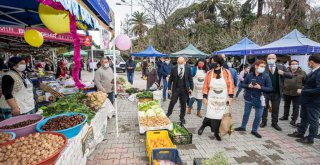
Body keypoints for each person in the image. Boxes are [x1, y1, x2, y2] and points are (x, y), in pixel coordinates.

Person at [198, 55, 234, 141]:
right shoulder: (209, 73)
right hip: (212, 98)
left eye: (213, 61)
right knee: (209, 114)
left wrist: (230, 97)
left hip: (222, 99)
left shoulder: (226, 72)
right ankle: (203, 126)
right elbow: (206, 85)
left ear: (218, 63)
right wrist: (204, 97)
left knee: (219, 116)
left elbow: (231, 85)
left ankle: (216, 133)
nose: (211, 63)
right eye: (211, 61)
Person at [234, 60, 273, 138]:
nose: (263, 68)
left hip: (260, 100)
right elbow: (242, 85)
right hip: (249, 98)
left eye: (264, 67)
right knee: (246, 114)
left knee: (258, 116)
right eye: (261, 66)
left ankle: (254, 130)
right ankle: (243, 127)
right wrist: (248, 85)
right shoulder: (249, 75)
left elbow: (270, 89)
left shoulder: (266, 76)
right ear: (256, 66)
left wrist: (260, 87)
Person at [288, 55, 320, 144]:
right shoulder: (313, 71)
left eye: (308, 61)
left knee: (313, 120)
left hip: (313, 101)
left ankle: (310, 138)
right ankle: (300, 132)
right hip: (306, 100)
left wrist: (303, 91)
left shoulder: (319, 72)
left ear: (312, 62)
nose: (308, 63)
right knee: (304, 117)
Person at [260, 54, 293, 131]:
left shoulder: (281, 67)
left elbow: (291, 75)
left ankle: (274, 123)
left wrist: (283, 73)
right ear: (266, 59)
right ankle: (263, 122)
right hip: (265, 92)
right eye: (269, 58)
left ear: (276, 59)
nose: (271, 59)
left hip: (277, 92)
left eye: (273, 58)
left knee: (276, 108)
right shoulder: (263, 67)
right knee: (264, 107)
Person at [166, 57, 193, 124]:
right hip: (176, 89)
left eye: (181, 62)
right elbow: (170, 80)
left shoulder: (188, 69)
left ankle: (182, 117)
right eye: (179, 62)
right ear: (177, 62)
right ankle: (168, 114)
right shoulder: (173, 69)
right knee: (172, 102)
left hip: (184, 89)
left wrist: (191, 89)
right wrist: (169, 88)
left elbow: (190, 80)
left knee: (183, 104)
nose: (180, 63)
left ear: (184, 62)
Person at [279, 60, 306, 126]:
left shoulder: (302, 72)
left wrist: (302, 88)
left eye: (296, 64)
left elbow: (305, 83)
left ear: (298, 65)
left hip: (297, 93)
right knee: (286, 105)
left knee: (296, 106)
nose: (294, 65)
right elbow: (281, 81)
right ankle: (285, 116)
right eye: (293, 64)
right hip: (286, 91)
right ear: (290, 65)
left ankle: (294, 119)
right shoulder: (286, 72)